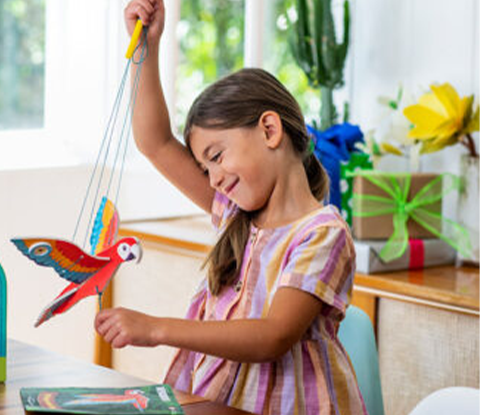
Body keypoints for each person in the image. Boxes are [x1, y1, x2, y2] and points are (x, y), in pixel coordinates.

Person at [94, 1, 368, 414]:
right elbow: (155, 142)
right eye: (205, 168)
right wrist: (145, 50)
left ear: (269, 130)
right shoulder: (235, 214)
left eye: (217, 157)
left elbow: (273, 336)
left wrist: (156, 329)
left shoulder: (322, 233)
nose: (213, 178)